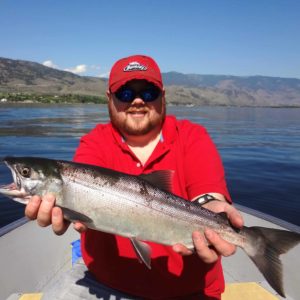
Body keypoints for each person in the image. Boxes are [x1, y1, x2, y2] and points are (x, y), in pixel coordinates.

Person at [25, 54, 243, 300]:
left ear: (163, 95)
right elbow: (80, 190)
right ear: (109, 98)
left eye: (148, 93)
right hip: (102, 284)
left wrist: (212, 206)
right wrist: (66, 210)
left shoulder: (193, 137)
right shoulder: (94, 142)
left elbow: (207, 193)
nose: (137, 101)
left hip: (189, 289)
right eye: (125, 94)